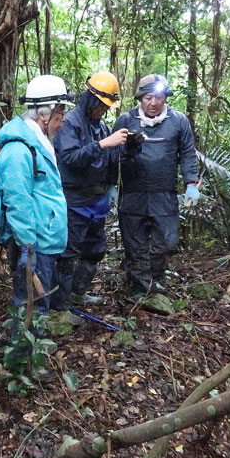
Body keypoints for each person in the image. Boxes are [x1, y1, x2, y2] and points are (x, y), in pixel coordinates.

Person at [114, 74, 199, 301]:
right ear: (140, 99)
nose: (153, 103)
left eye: (159, 97)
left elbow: (188, 153)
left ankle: (156, 280)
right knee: (135, 241)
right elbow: (113, 153)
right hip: (133, 192)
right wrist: (109, 184)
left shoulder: (178, 121)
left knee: (166, 241)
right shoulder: (126, 120)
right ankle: (140, 288)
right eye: (148, 97)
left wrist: (191, 183)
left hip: (164, 192)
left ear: (165, 98)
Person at [52, 71, 129, 310]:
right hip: (73, 200)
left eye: (106, 107)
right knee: (67, 254)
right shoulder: (70, 123)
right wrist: (103, 144)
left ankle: (78, 293)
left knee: (95, 250)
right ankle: (60, 306)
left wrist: (130, 148)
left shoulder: (102, 127)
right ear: (91, 99)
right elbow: (69, 158)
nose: (103, 111)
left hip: (98, 199)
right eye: (101, 106)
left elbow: (110, 159)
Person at [0, 75, 71, 316]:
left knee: (39, 305)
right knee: (30, 307)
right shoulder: (19, 149)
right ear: (43, 114)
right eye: (60, 115)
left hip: (44, 241)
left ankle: (33, 350)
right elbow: (18, 201)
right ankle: (24, 353)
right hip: (33, 245)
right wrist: (28, 249)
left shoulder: (39, 143)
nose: (62, 122)